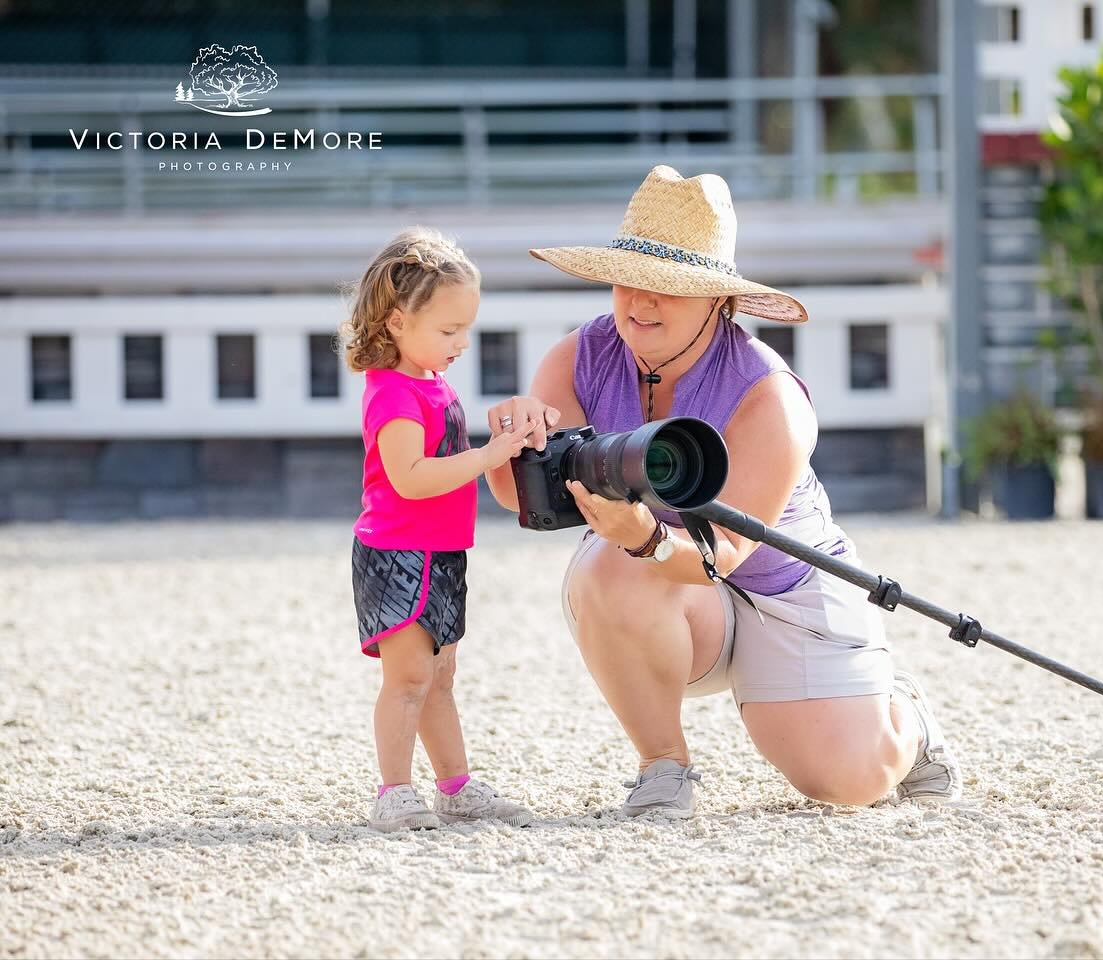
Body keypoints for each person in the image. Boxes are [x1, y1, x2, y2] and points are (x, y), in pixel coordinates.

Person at [482, 166, 957, 818]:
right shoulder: (578, 357)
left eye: (670, 288)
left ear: (719, 299)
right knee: (603, 568)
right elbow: (520, 499)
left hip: (786, 582)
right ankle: (663, 769)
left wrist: (644, 535)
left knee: (846, 781)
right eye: (631, 278)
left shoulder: (769, 396)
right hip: (665, 591)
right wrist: (507, 444)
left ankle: (907, 721)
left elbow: (722, 555)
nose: (641, 301)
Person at [341, 226, 535, 832]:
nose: (462, 343)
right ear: (397, 322)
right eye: (448, 330)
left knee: (441, 675)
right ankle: (393, 791)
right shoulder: (393, 395)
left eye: (465, 329)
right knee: (408, 679)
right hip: (397, 554)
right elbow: (411, 478)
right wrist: (487, 456)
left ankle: (455, 785)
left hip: (441, 550)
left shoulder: (428, 381)